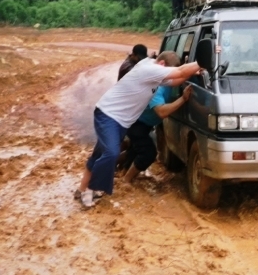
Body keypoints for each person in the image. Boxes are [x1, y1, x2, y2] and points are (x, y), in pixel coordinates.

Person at [75, 51, 202, 209]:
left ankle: (81, 189)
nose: (167, 75)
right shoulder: (149, 70)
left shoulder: (153, 74)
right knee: (111, 153)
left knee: (99, 154)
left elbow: (176, 80)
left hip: (120, 120)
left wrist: (196, 72)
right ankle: (91, 189)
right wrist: (202, 60)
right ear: (162, 65)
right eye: (167, 71)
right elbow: (180, 71)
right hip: (109, 115)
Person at [122, 83, 193, 184]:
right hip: (135, 123)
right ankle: (126, 180)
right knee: (148, 153)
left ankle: (122, 173)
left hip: (142, 123)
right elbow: (162, 112)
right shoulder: (158, 89)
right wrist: (183, 99)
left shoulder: (172, 83)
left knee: (135, 150)